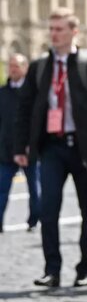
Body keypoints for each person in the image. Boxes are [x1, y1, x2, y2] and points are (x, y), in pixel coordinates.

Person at [14, 7, 87, 288]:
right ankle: (52, 269)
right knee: (48, 209)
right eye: (51, 29)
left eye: (59, 29)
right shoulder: (40, 67)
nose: (54, 34)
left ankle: (84, 268)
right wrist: (21, 146)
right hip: (51, 147)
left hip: (84, 148)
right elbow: (24, 109)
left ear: (74, 32)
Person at [0, 54, 40, 233]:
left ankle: (34, 221)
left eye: (16, 66)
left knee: (35, 189)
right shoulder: (2, 93)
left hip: (30, 149)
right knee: (2, 189)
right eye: (11, 66)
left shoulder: (34, 93)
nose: (13, 69)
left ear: (25, 68)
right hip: (6, 150)